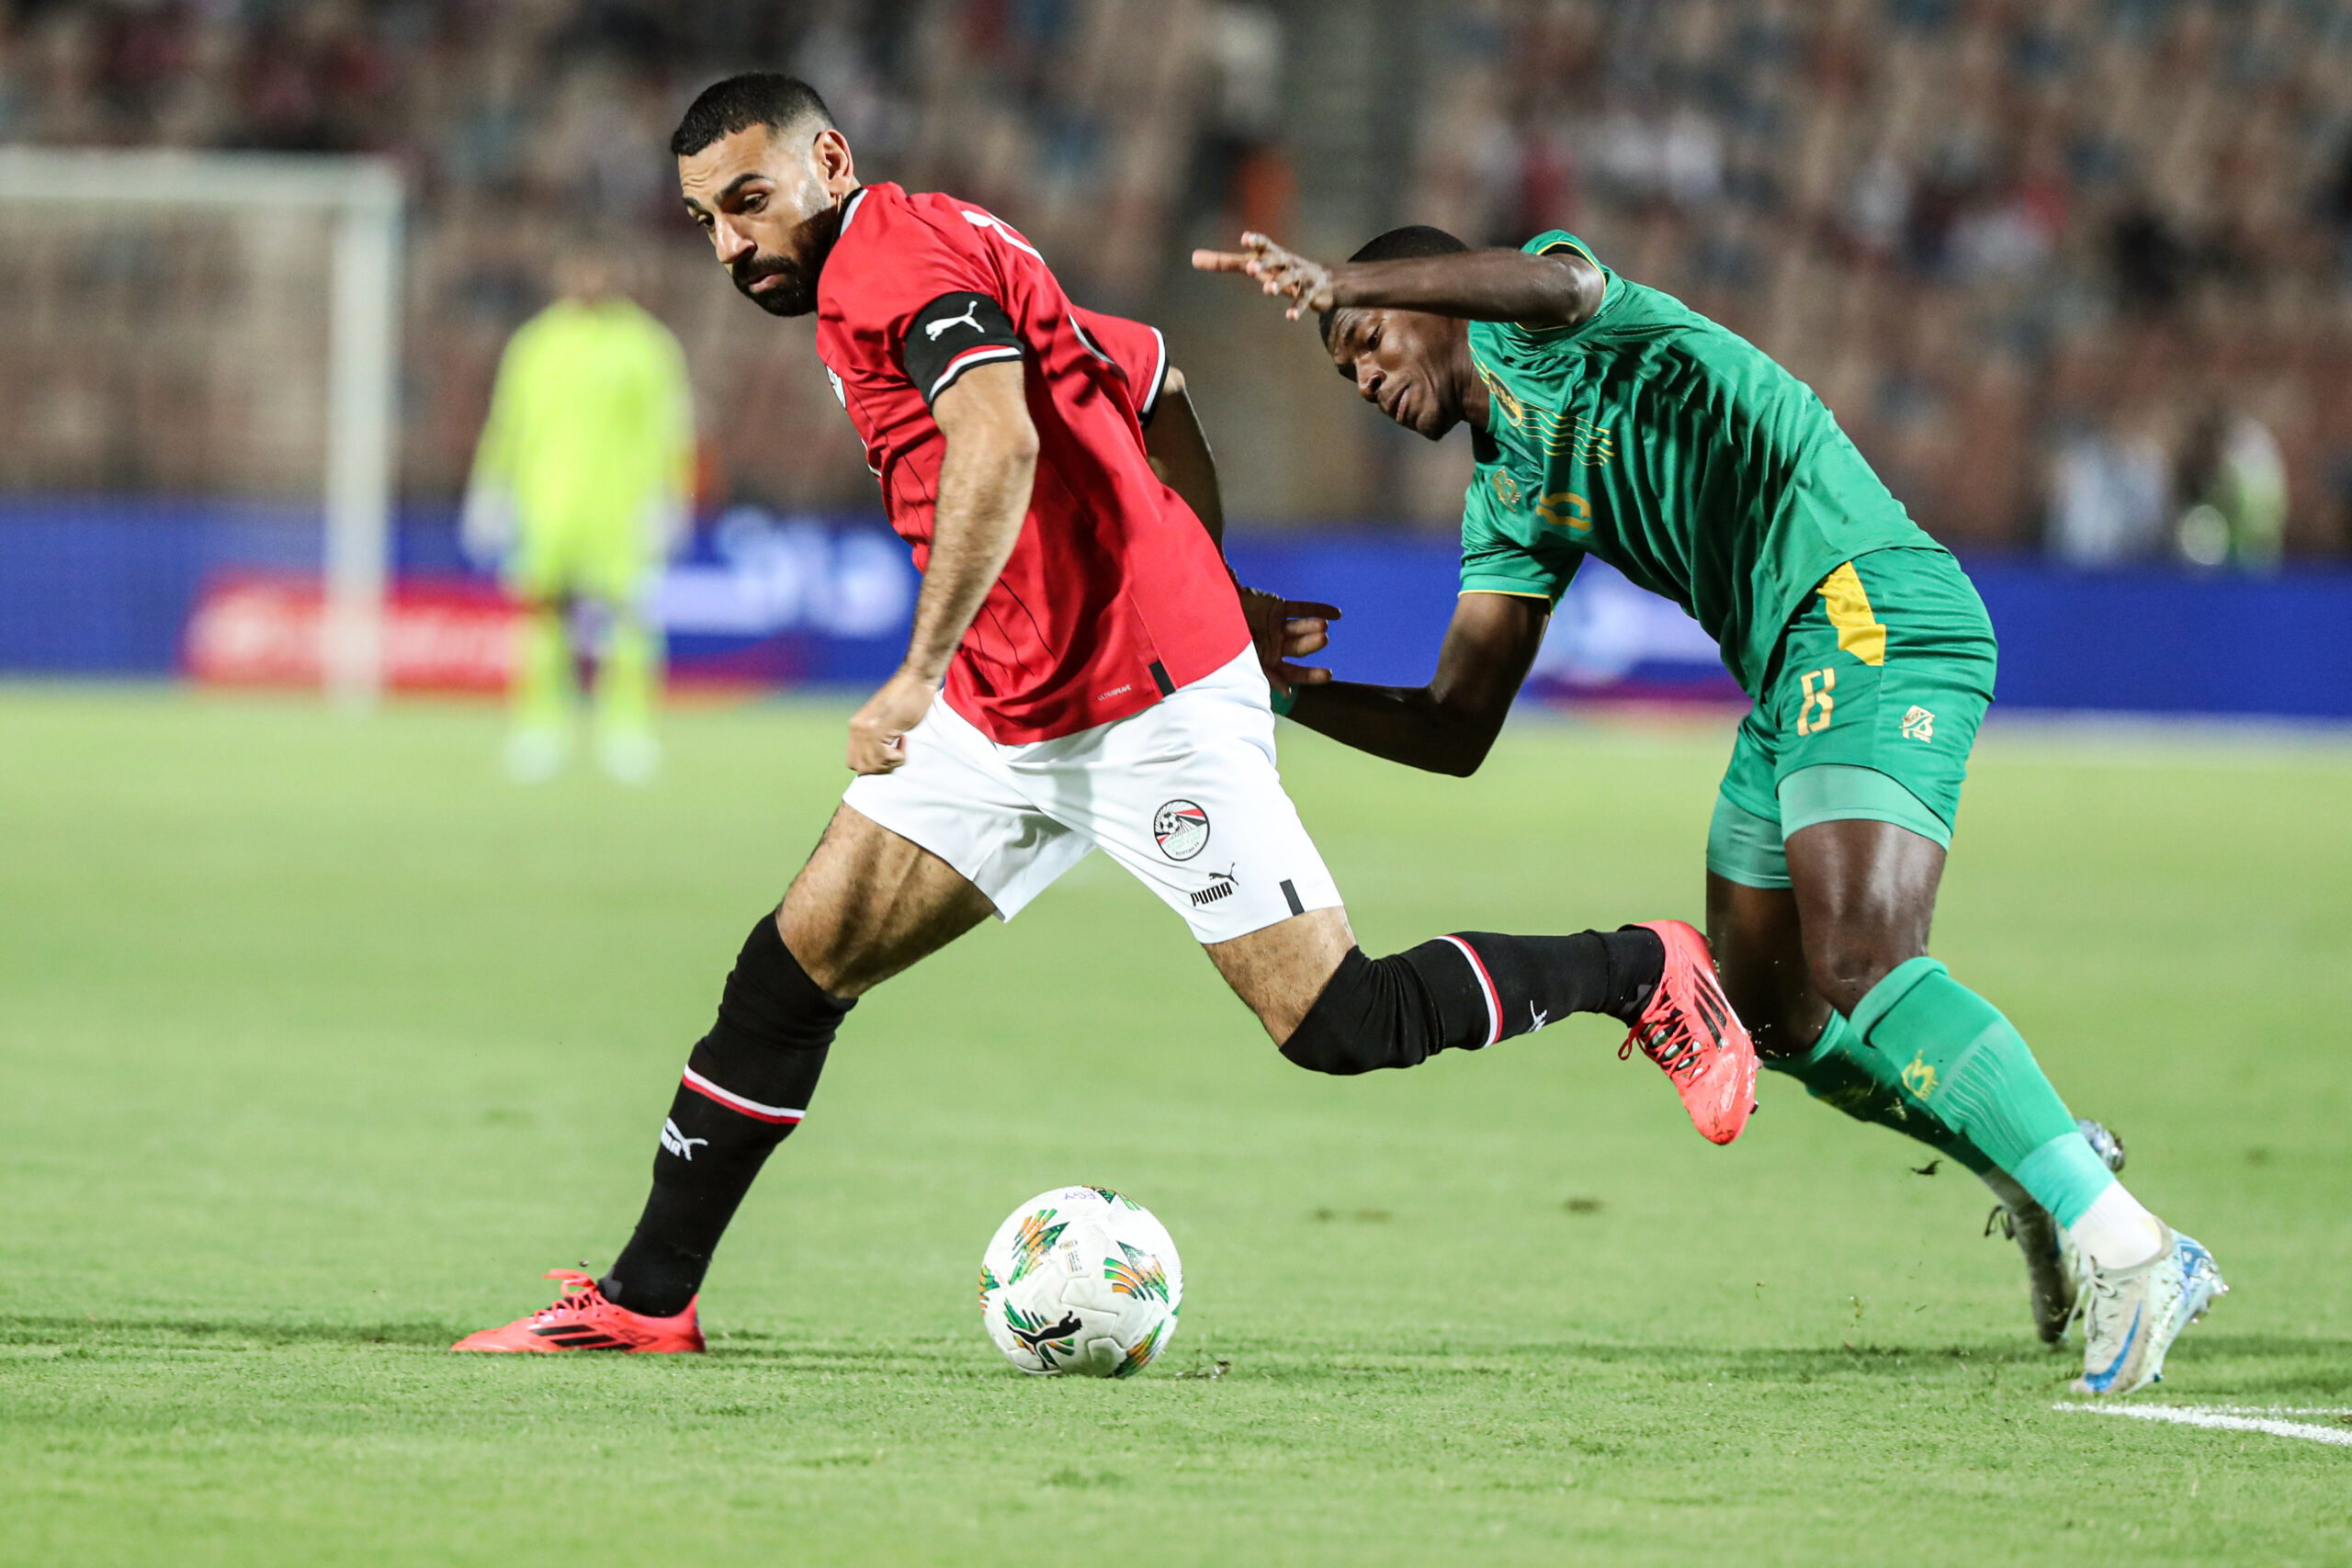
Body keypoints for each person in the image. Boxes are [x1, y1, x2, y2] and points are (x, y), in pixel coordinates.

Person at [452, 77, 1758, 1355]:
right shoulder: (942, 238)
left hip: (1146, 701)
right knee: (789, 975)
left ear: (829, 164)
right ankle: (644, 1296)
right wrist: (1223, 580)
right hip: (1009, 703)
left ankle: (1638, 969)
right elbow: (1154, 380)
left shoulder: (890, 271)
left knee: (1341, 1022)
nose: (735, 243)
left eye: (750, 201)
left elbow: (1002, 443)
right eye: (707, 221)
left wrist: (925, 667)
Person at [1194, 224, 2223, 1396]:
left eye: (1370, 342)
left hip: (1866, 603)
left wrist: (1348, 279)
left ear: (1439, 301)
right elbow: (1454, 725)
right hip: (1789, 674)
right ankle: (2038, 1168)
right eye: (1345, 369)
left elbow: (1566, 281)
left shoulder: (1551, 322)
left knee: (1862, 960)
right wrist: (1274, 687)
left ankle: (2133, 1248)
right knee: (1771, 1012)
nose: (1366, 377)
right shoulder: (1508, 495)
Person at [462, 251, 696, 784]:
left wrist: (672, 498)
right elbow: (508, 424)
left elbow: (671, 430)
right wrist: (490, 490)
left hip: (620, 508)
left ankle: (627, 728)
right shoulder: (536, 342)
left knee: (629, 622)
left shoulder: (646, 345)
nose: (589, 278)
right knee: (542, 617)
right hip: (547, 506)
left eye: (599, 268)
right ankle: (542, 725)